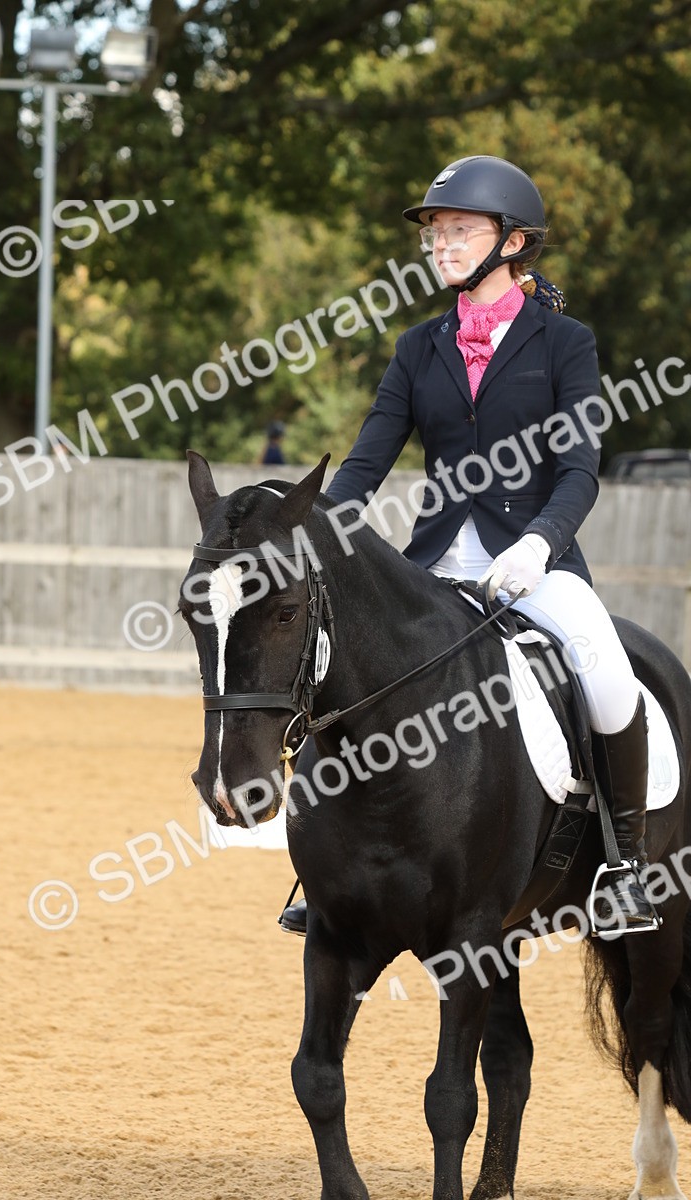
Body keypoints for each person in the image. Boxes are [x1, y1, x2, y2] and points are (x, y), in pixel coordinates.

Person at [280, 154, 659, 938]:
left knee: (606, 666)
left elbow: (580, 471)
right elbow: (365, 463)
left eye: (459, 230)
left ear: (512, 243)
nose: (441, 244)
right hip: (434, 564)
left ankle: (626, 866)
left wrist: (538, 543)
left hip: (533, 561)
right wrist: (311, 533)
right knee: (340, 667)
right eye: (436, 233)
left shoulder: (566, 344)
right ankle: (316, 869)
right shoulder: (418, 348)